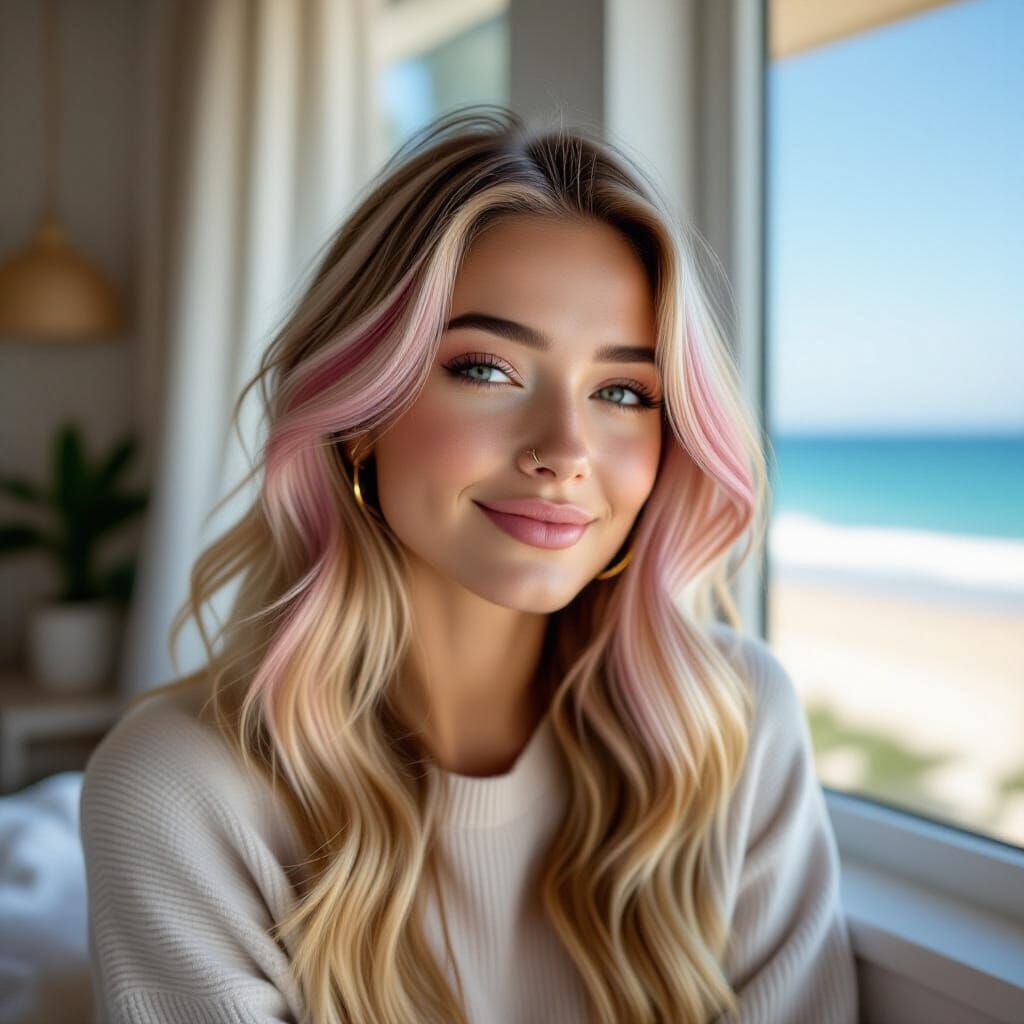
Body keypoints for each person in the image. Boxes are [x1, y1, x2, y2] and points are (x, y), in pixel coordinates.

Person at [80, 105, 859, 1023]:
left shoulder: (729, 724)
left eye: (622, 391)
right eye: (487, 369)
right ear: (360, 411)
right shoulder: (179, 791)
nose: (566, 449)